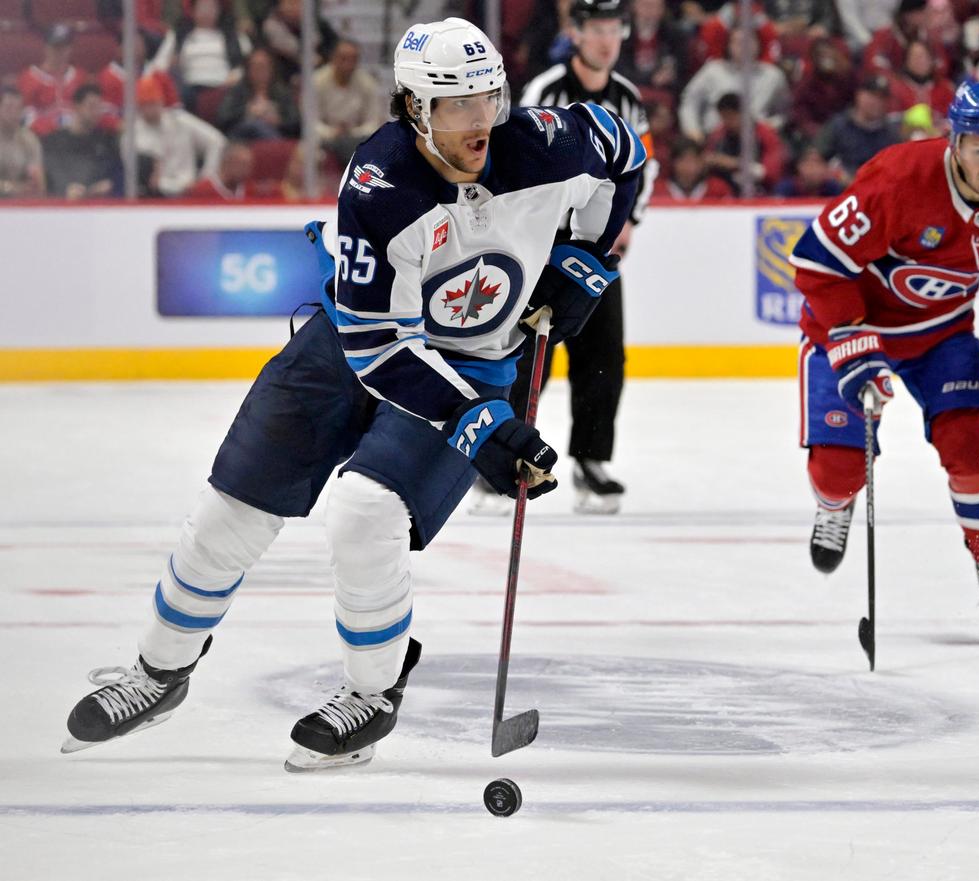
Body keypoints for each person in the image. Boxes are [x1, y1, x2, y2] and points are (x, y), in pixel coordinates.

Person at [62, 16, 643, 771]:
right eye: (459, 104)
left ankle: (370, 694)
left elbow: (625, 152)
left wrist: (587, 257)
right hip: (350, 345)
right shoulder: (381, 180)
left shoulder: (550, 141)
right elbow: (379, 349)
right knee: (227, 513)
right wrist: (480, 429)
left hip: (473, 356)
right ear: (413, 108)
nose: (481, 121)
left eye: (489, 99)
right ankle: (158, 671)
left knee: (366, 512)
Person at [788, 81, 979, 644]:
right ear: (955, 142)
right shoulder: (899, 179)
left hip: (941, 335)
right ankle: (835, 502)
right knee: (840, 468)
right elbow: (817, 261)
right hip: (849, 326)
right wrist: (852, 338)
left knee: (973, 445)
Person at [486, 0, 656, 515]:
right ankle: (501, 459)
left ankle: (591, 460)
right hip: (540, 251)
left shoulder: (629, 98)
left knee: (604, 357)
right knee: (520, 358)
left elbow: (644, 166)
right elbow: (523, 165)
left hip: (598, 252)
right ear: (575, 33)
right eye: (596, 28)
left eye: (614, 28)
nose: (607, 39)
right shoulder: (545, 92)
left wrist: (629, 222)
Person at [131, 75, 226, 197]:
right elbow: (143, 179)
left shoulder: (179, 120)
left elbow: (217, 142)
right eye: (145, 104)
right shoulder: (132, 134)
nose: (150, 109)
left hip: (190, 193)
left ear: (161, 100)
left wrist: (205, 179)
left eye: (153, 103)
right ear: (139, 106)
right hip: (156, 196)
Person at [42, 85, 123, 199]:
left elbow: (116, 176)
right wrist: (65, 188)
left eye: (99, 107)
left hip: (99, 207)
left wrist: (108, 186)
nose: (96, 112)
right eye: (91, 106)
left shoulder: (106, 141)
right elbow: (51, 175)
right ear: (76, 107)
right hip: (62, 206)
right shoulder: (55, 141)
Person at [313, 40, 385, 166]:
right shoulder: (317, 81)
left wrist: (352, 132)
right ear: (333, 59)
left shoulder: (367, 83)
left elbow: (373, 122)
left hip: (355, 137)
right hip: (325, 137)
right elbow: (311, 122)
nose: (348, 65)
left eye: (353, 60)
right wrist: (332, 132)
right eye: (343, 59)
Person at [0, 86, 46, 198]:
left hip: (18, 202)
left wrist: (34, 185)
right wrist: (9, 188)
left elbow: (39, 183)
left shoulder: (29, 139)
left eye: (18, 108)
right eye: (9, 108)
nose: (14, 113)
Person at [184, 140, 252, 199]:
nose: (246, 170)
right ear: (227, 162)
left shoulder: (250, 190)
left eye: (249, 165)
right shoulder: (200, 191)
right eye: (242, 164)